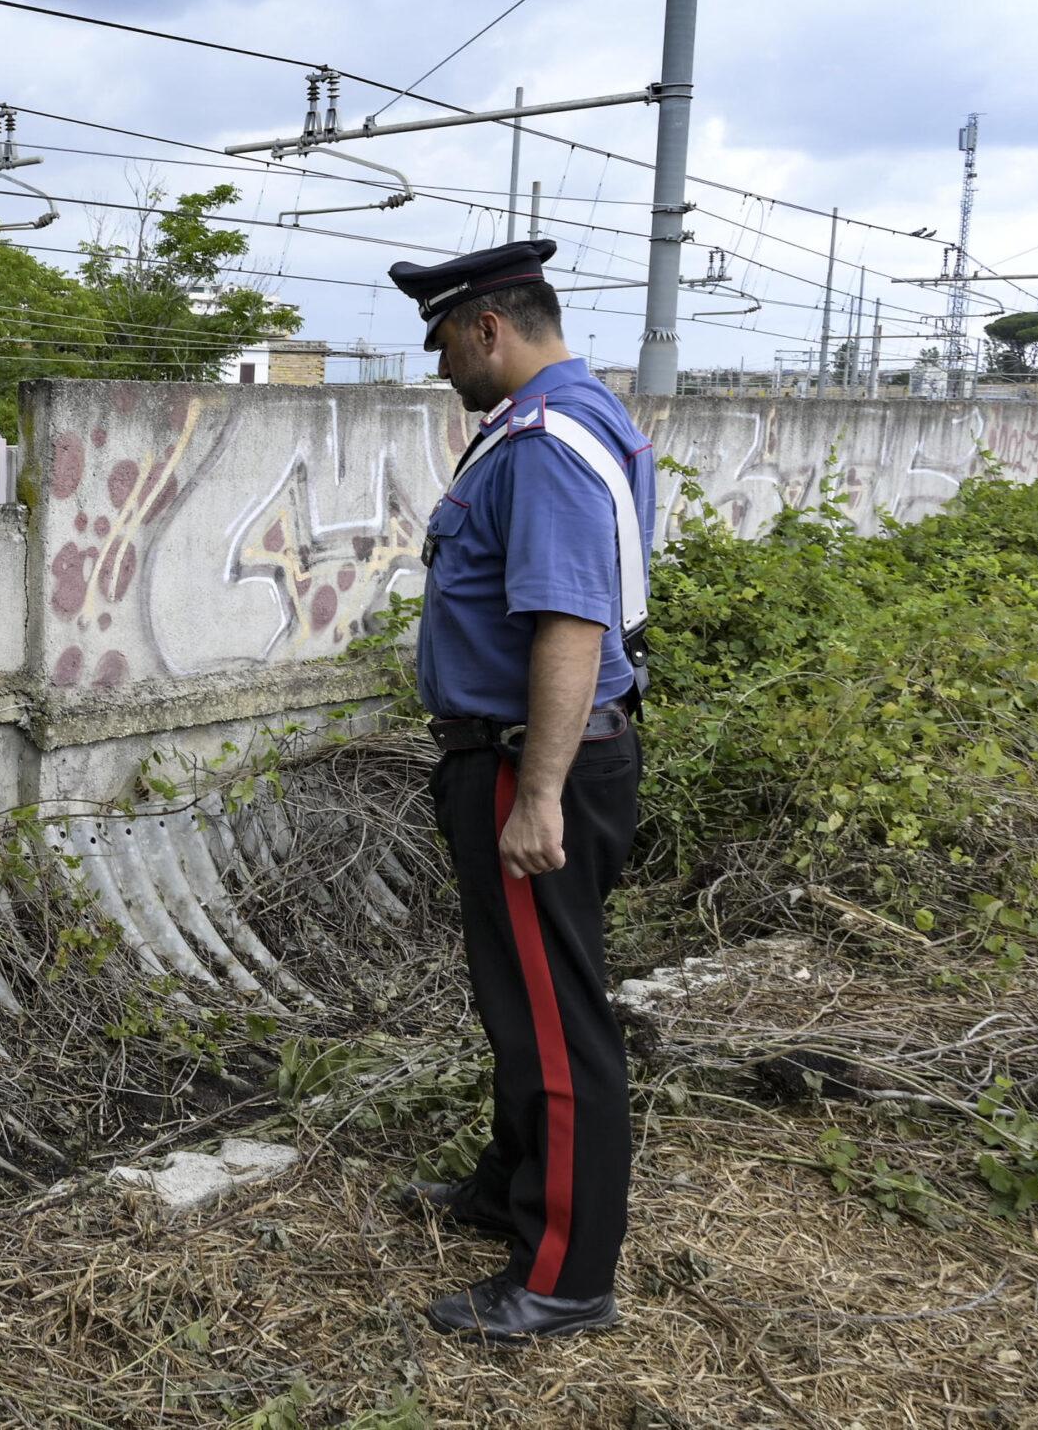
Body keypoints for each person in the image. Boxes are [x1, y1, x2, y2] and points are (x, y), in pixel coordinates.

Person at [387, 238, 656, 1343]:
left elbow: (568, 625)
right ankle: (511, 1187)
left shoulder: (541, 444)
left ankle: (563, 1275)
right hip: (520, 751)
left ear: (487, 326)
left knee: (555, 1020)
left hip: (526, 759)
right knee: (521, 999)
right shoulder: (577, 414)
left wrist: (535, 792)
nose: (442, 366)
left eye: (445, 341)